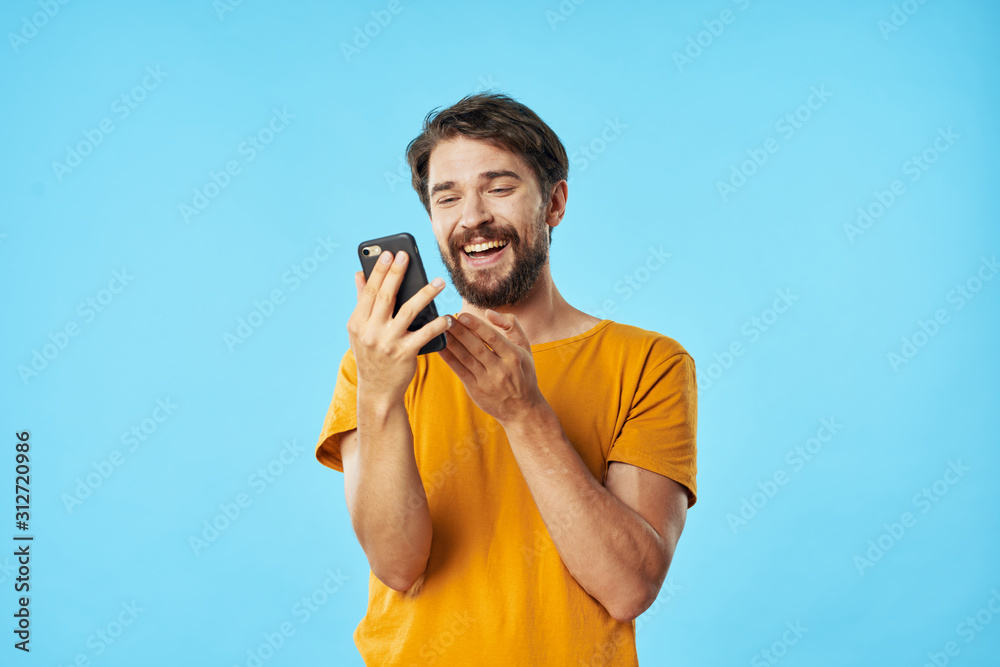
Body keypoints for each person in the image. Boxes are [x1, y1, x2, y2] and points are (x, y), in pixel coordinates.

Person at [314, 92, 697, 665]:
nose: (473, 217)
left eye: (499, 188)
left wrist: (524, 413)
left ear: (555, 203)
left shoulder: (650, 362)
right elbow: (397, 564)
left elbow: (629, 587)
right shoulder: (379, 363)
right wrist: (379, 394)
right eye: (448, 198)